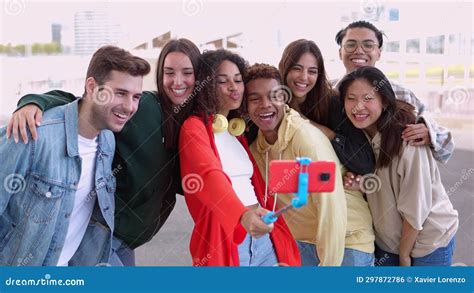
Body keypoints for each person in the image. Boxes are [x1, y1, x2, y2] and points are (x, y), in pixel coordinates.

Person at [4, 39, 201, 265]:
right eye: (169, 72)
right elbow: (84, 105)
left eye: (187, 72)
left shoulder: (192, 125)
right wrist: (35, 102)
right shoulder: (144, 107)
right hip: (104, 233)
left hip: (127, 241)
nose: (177, 81)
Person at [179, 50, 300, 266]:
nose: (234, 87)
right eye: (222, 81)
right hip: (230, 241)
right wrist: (243, 216)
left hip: (264, 240)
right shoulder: (194, 128)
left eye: (238, 80)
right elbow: (209, 175)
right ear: (206, 86)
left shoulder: (236, 132)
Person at [339, 66, 458, 266]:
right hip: (388, 243)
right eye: (351, 98)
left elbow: (415, 207)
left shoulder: (407, 138)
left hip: (428, 242)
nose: (358, 106)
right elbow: (387, 185)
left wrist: (404, 255)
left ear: (384, 102)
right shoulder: (360, 138)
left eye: (368, 98)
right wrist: (363, 185)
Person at [277, 41, 375, 265]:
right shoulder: (272, 105)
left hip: (346, 231)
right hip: (299, 232)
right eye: (297, 68)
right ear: (285, 67)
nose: (304, 77)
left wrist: (320, 131)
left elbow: (363, 161)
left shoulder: (331, 103)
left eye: (312, 71)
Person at [245, 63, 347, 266]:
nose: (265, 104)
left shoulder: (305, 138)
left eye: (274, 96)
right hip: (299, 244)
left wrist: (329, 267)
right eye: (255, 99)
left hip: (342, 244)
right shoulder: (257, 149)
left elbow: (332, 207)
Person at [334, 20, 454, 164]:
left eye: (368, 45)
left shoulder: (403, 95)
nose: (359, 50)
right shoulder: (327, 94)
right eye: (351, 44)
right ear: (340, 52)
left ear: (378, 53)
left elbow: (446, 146)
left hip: (394, 183)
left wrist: (429, 134)